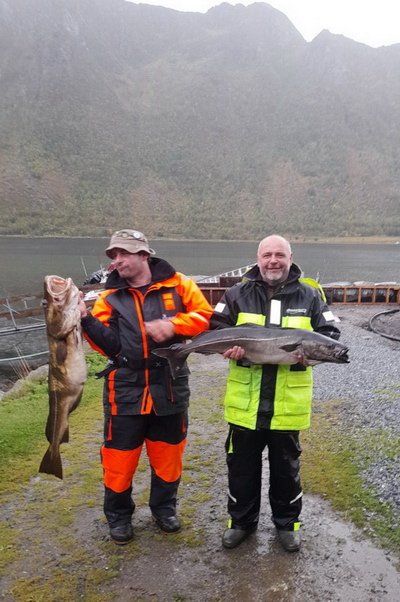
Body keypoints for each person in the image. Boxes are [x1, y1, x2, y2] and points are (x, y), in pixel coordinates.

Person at [79, 229, 212, 545]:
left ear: (143, 255)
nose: (117, 260)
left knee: (168, 457)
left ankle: (164, 509)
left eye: (123, 253)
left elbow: (204, 317)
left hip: (169, 385)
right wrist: (86, 321)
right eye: (113, 255)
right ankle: (119, 517)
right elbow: (107, 346)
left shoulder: (179, 285)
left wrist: (173, 325)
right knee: (119, 460)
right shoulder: (110, 297)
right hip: (125, 389)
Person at [210, 234, 341, 552]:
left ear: (290, 257)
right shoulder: (236, 293)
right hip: (245, 402)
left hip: (287, 404)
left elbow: (331, 335)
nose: (273, 261)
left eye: (279, 255)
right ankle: (240, 522)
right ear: (258, 258)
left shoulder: (310, 295)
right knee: (241, 469)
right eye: (267, 254)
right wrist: (228, 348)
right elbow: (215, 328)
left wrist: (309, 356)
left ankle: (287, 525)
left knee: (286, 470)